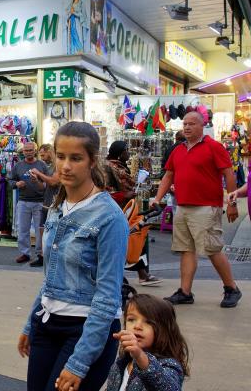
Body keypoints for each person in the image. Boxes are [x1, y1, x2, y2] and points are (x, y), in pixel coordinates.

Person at [18, 122, 128, 391]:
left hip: (86, 332)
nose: (65, 166)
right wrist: (30, 322)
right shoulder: (58, 206)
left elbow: (107, 295)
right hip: (47, 324)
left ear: (92, 161)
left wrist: (79, 361)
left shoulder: (109, 217)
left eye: (76, 158)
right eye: (61, 156)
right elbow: (51, 276)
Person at [151, 111, 242, 308]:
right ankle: (185, 292)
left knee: (212, 248)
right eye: (185, 124)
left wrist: (232, 203)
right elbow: (168, 176)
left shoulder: (214, 147)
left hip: (206, 207)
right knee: (186, 249)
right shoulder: (178, 150)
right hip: (182, 206)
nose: (187, 127)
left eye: (192, 124)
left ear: (202, 126)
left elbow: (228, 174)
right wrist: (157, 198)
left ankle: (231, 288)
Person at [104, 141, 161, 286]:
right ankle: (135, 275)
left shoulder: (114, 166)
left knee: (134, 237)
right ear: (120, 153)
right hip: (117, 209)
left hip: (123, 207)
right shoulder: (112, 168)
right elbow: (108, 189)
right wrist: (125, 195)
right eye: (126, 151)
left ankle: (142, 274)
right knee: (128, 240)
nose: (129, 154)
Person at [106, 294, 189, 391]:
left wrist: (141, 357)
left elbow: (169, 388)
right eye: (131, 319)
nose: (137, 326)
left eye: (148, 322)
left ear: (164, 330)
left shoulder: (169, 365)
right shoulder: (122, 362)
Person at [8, 142, 49, 263]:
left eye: (30, 150)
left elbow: (48, 182)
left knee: (39, 230)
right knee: (22, 229)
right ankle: (25, 253)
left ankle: (40, 255)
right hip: (23, 201)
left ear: (35, 151)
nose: (28, 152)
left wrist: (39, 182)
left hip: (39, 202)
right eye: (26, 150)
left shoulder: (42, 165)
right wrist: (16, 184)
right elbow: (10, 180)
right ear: (23, 152)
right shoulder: (18, 166)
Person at [26, 144, 57, 267]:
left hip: (54, 203)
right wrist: (37, 180)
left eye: (43, 154)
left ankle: (47, 256)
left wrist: (39, 173)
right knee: (42, 229)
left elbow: (53, 182)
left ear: (50, 151)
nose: (42, 158)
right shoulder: (49, 167)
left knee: (48, 230)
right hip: (47, 201)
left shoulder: (57, 166)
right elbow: (45, 186)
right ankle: (43, 256)